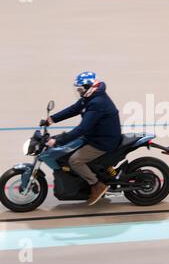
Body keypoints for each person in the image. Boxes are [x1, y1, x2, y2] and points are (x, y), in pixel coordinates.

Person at [44, 71, 122, 205]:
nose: (79, 92)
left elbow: (82, 129)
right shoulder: (91, 97)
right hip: (94, 135)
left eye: (80, 89)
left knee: (75, 160)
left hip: (103, 141)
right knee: (67, 148)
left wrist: (58, 141)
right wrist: (52, 119)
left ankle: (97, 185)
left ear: (89, 87)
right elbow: (74, 109)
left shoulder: (97, 102)